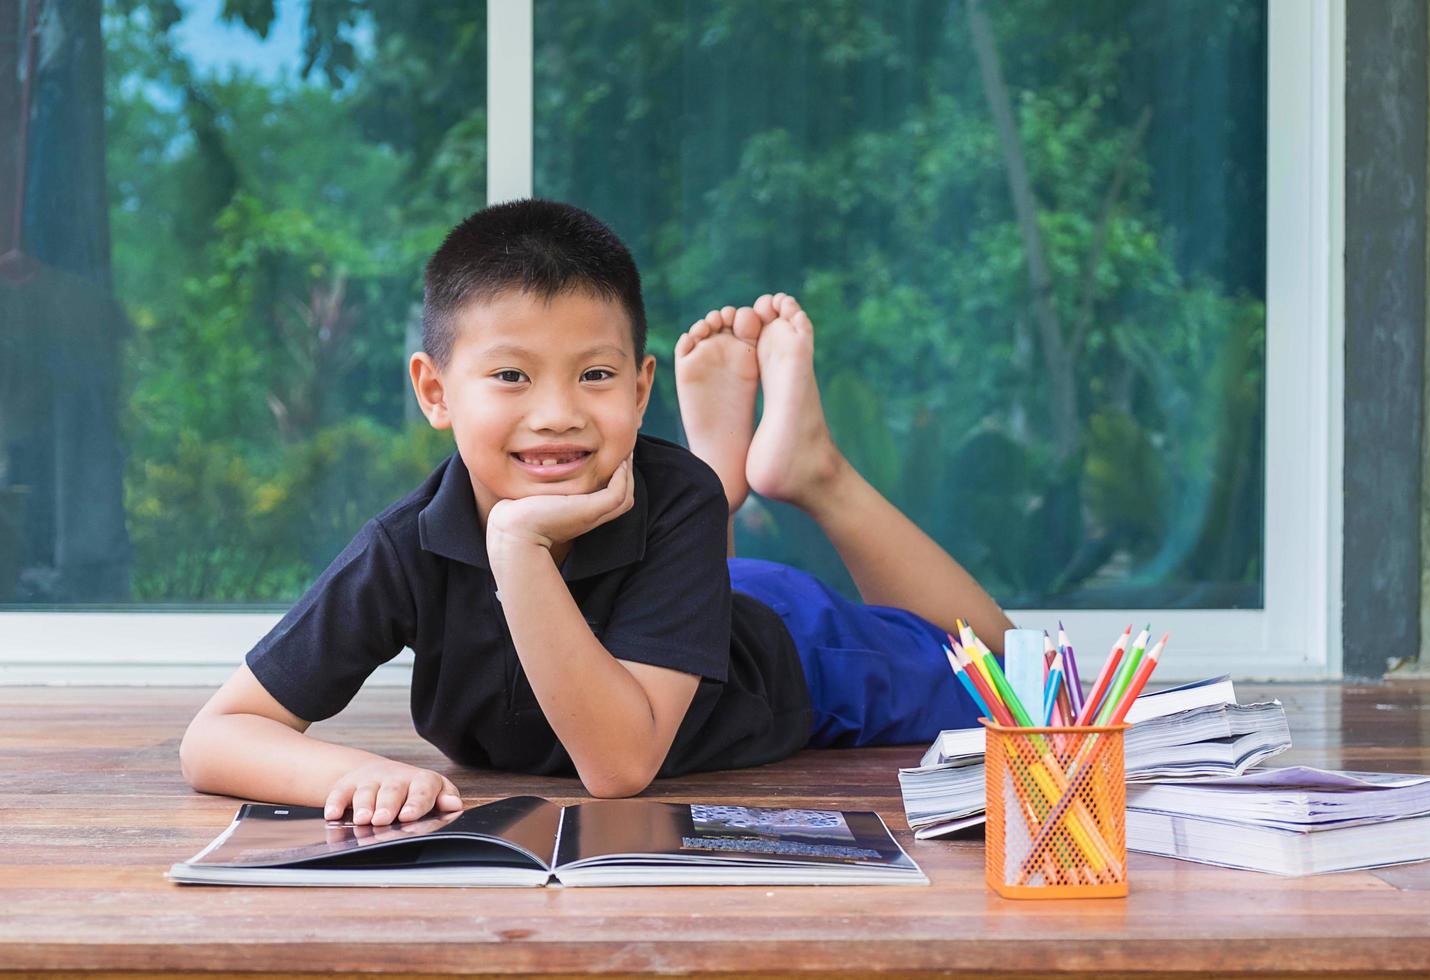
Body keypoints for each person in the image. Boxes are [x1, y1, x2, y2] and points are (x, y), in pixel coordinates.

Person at [179, 199, 1013, 826]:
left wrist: (516, 546)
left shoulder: (658, 503)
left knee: (1005, 676)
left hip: (783, 646)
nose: (557, 413)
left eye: (596, 376)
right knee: (684, 510)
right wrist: (345, 775)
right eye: (511, 377)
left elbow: (618, 768)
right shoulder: (408, 544)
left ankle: (810, 470)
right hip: (682, 577)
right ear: (435, 392)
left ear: (640, 387)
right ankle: (721, 474)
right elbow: (218, 736)